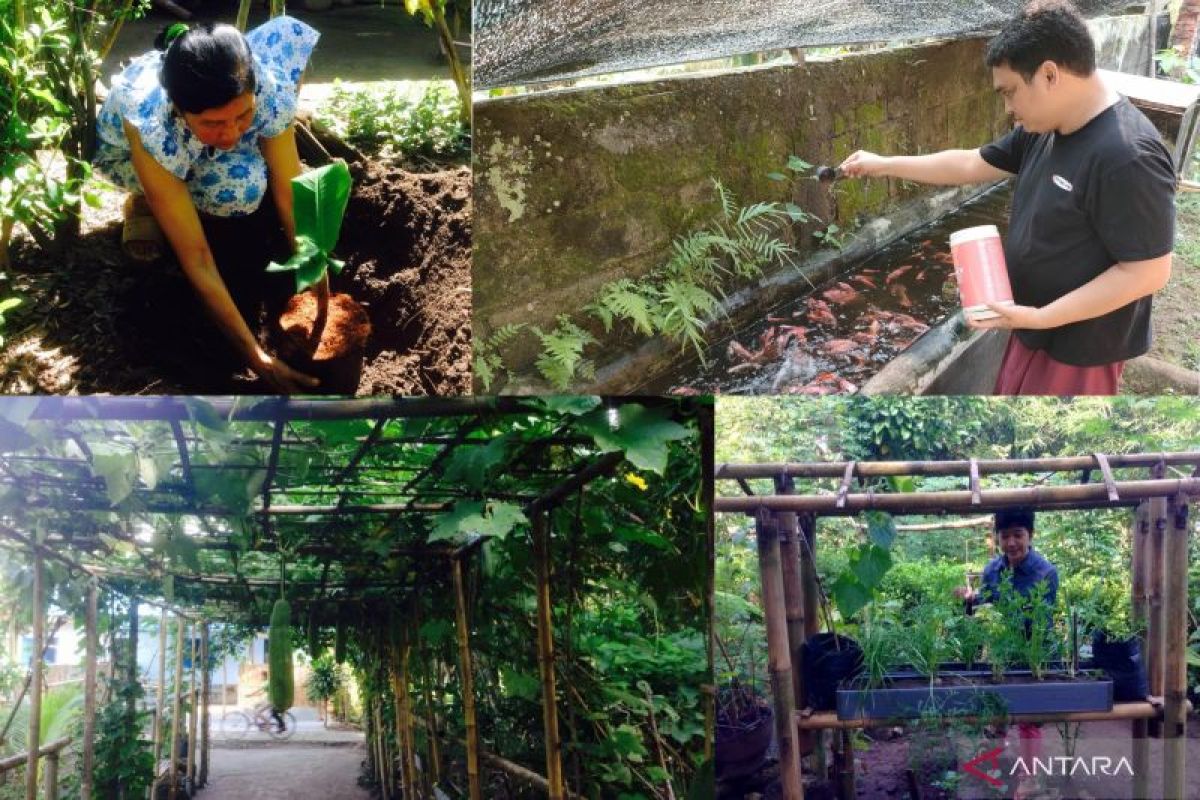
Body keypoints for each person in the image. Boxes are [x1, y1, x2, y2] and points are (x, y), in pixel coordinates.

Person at [839, 0, 1175, 395]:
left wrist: (1043, 317)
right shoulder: (1046, 129)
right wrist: (883, 164)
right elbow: (968, 164)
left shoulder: (1127, 156)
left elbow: (1149, 271)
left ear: (1050, 74)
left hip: (1079, 350)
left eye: (1010, 92)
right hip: (1031, 326)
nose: (1008, 109)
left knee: (1048, 451)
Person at [94, 16, 323, 392]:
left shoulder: (261, 85)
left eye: (243, 115)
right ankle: (148, 204)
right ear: (181, 110)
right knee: (234, 189)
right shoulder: (153, 123)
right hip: (134, 158)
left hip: (194, 136)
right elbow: (197, 258)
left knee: (249, 178)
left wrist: (314, 267)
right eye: (213, 122)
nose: (232, 132)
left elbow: (289, 188)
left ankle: (196, 166)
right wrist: (256, 357)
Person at [954, 507, 1058, 800]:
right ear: (998, 537)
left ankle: (1029, 780)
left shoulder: (1045, 572)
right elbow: (982, 607)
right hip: (999, 653)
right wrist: (970, 601)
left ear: (1030, 536)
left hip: (1031, 653)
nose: (1011, 543)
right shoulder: (992, 570)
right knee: (996, 714)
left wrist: (1005, 612)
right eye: (1005, 536)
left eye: (1018, 535)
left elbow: (1039, 620)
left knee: (1028, 716)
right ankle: (993, 770)